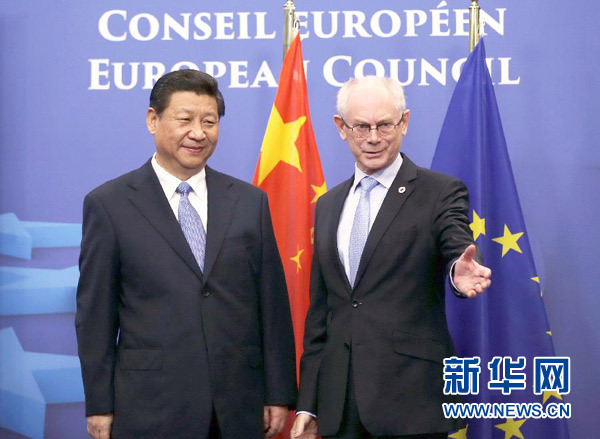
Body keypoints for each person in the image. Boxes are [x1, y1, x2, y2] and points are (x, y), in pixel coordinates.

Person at [75, 69, 297, 439]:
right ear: (153, 120)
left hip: (238, 405)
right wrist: (99, 404)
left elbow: (271, 305)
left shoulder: (249, 202)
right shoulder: (109, 204)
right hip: (150, 405)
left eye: (209, 122)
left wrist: (279, 392)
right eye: (185, 120)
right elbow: (95, 315)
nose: (198, 133)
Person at [291, 76, 491, 439]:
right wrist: (309, 402)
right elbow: (322, 313)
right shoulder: (328, 205)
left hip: (411, 401)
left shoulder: (439, 192)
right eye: (361, 127)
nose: (373, 138)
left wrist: (456, 272)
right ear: (341, 128)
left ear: (404, 122)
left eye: (384, 125)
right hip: (339, 406)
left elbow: (455, 244)